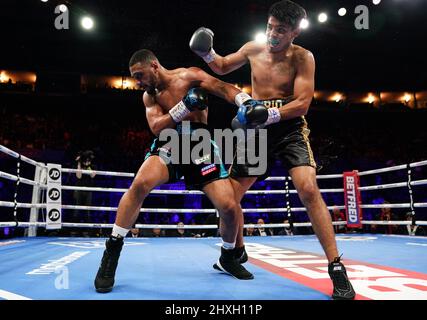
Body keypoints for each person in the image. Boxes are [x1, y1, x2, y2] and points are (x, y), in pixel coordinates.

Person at [190, 0, 355, 299]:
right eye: (270, 27)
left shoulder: (303, 57)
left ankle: (336, 266)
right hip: (256, 130)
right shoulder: (254, 48)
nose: (273, 34)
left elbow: (303, 103)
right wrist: (206, 52)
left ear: (294, 32)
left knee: (307, 188)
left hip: (289, 128)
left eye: (280, 30)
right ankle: (234, 252)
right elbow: (223, 66)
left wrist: (270, 113)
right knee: (230, 198)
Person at [94, 49, 266, 293]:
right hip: (170, 140)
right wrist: (184, 105)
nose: (138, 82)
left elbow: (224, 88)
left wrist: (246, 102)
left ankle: (228, 256)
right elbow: (156, 126)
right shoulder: (149, 96)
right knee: (141, 183)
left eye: (140, 75)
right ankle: (112, 251)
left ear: (154, 65)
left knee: (228, 206)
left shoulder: (189, 76)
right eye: (135, 77)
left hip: (200, 142)